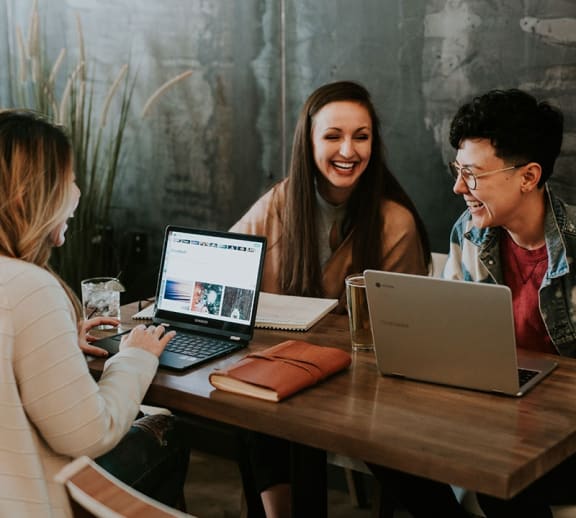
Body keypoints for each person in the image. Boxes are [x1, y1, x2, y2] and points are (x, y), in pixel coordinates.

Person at [231, 80, 433, 518]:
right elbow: (227, 263)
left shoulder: (393, 222)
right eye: (332, 136)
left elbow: (402, 332)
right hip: (284, 374)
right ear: (308, 142)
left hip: (361, 389)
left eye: (361, 136)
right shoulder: (282, 201)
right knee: (253, 402)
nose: (348, 150)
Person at [0, 110, 190, 516]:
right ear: (33, 195)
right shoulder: (30, 287)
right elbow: (88, 434)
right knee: (168, 433)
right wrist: (135, 357)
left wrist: (60, 344)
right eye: (67, 181)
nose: (78, 193)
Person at [444, 88, 574, 517]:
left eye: (474, 174)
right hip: (496, 413)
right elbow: (452, 339)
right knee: (385, 445)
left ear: (528, 176)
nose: (459, 186)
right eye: (459, 170)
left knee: (501, 474)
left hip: (564, 431)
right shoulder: (469, 233)